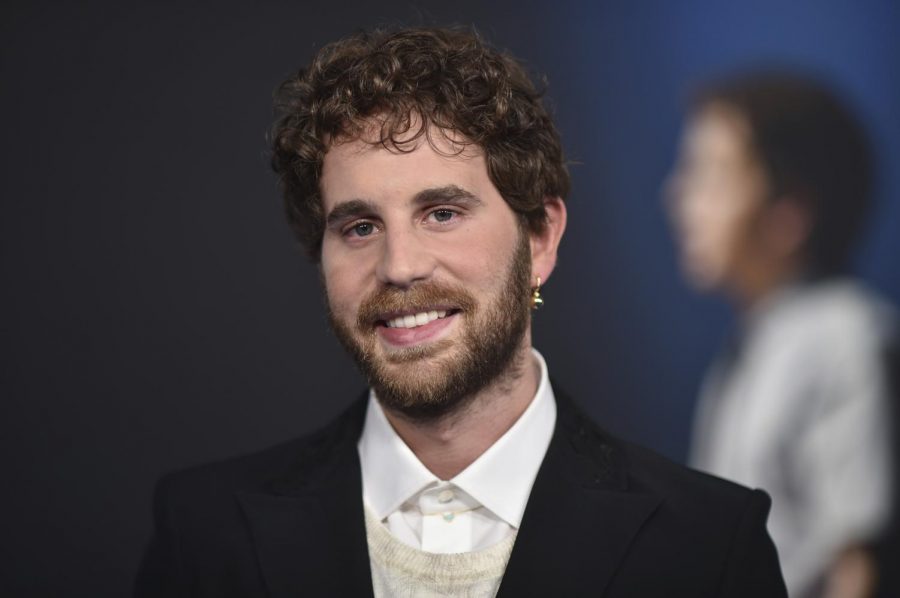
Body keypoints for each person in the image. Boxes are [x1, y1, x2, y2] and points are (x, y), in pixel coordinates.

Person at [135, 27, 786, 597]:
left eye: (441, 213)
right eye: (359, 227)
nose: (400, 266)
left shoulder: (709, 546)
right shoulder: (205, 534)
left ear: (541, 239)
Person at [666, 71, 897, 598]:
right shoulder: (756, 342)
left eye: (713, 176)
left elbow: (856, 560)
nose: (680, 195)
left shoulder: (845, 336)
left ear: (789, 213)